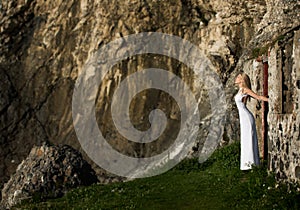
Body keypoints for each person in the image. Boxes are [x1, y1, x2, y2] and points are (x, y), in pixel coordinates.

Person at [234, 72, 268, 170]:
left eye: (238, 77)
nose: (236, 78)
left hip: (247, 117)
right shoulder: (240, 90)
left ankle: (252, 164)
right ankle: (246, 165)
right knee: (245, 140)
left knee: (249, 139)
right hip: (243, 118)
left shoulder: (245, 90)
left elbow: (258, 97)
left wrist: (270, 100)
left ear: (242, 80)